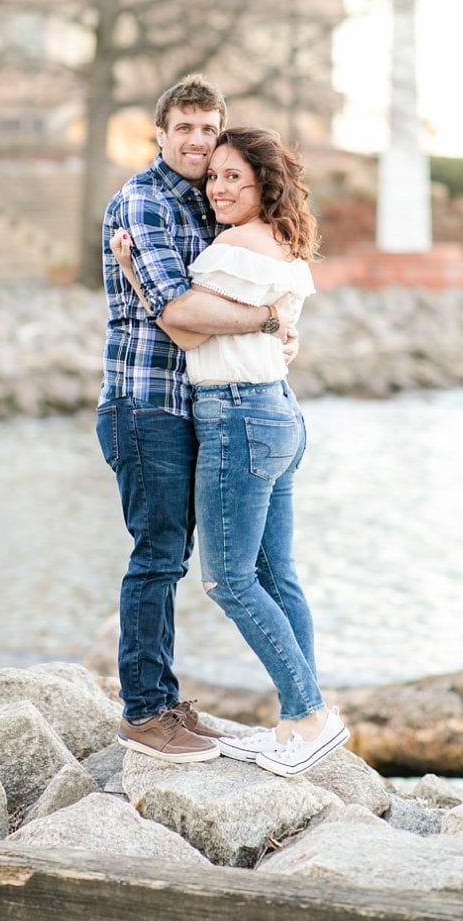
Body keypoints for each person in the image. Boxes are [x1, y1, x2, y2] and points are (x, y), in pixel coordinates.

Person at [113, 127, 345, 776]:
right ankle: (300, 719)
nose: (216, 187)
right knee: (278, 574)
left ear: (262, 183)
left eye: (231, 177)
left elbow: (184, 327)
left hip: (238, 415)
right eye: (212, 177)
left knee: (228, 578)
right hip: (279, 411)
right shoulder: (282, 245)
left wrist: (132, 270)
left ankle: (310, 714)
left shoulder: (231, 248)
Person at [96, 76, 297, 763]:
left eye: (208, 128)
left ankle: (167, 697)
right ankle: (146, 710)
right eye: (183, 128)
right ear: (160, 135)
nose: (196, 140)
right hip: (145, 403)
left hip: (201, 408)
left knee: (177, 558)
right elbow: (179, 311)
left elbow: (250, 282)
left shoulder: (212, 202)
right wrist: (269, 319)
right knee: (157, 557)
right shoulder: (143, 203)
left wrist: (271, 323)